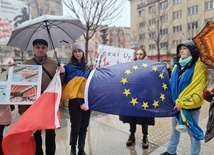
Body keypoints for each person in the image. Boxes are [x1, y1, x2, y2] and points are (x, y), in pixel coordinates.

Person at [17, 39, 65, 155]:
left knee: (50, 133)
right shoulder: (26, 65)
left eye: (43, 47)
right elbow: (20, 88)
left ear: (46, 49)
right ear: (33, 49)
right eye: (38, 47)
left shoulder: (54, 64)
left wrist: (62, 73)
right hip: (32, 106)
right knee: (36, 133)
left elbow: (60, 84)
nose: (40, 49)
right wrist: (22, 109)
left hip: (49, 105)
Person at [160, 40, 208, 155]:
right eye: (180, 49)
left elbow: (198, 89)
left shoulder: (199, 66)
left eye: (184, 48)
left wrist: (182, 103)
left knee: (193, 133)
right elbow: (172, 83)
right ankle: (171, 151)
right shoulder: (177, 66)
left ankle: (195, 153)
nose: (181, 51)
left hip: (189, 107)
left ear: (192, 51)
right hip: (176, 106)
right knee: (174, 130)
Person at [119, 49, 155, 149]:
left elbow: (152, 78)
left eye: (141, 54)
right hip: (132, 95)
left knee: (144, 116)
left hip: (145, 95)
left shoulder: (148, 66)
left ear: (144, 55)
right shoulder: (130, 66)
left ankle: (145, 136)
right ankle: (132, 135)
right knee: (132, 117)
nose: (139, 56)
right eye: (137, 54)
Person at [61, 43, 91, 155]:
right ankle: (73, 147)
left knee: (84, 126)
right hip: (74, 103)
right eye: (75, 51)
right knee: (76, 126)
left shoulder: (87, 68)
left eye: (80, 51)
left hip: (87, 101)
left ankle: (81, 149)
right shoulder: (68, 68)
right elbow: (65, 84)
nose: (78, 53)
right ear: (73, 53)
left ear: (83, 52)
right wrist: (61, 73)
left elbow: (89, 86)